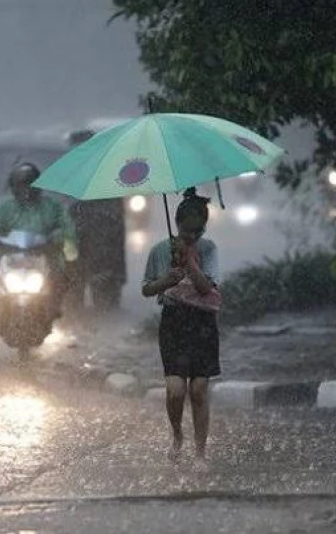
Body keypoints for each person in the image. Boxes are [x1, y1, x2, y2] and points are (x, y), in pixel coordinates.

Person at [142, 188, 221, 466]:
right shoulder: (160, 251)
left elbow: (205, 287)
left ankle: (200, 452)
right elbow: (148, 289)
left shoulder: (208, 249)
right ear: (177, 225)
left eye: (198, 232)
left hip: (202, 323)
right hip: (174, 323)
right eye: (188, 232)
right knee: (176, 390)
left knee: (199, 389)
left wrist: (189, 260)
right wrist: (167, 279)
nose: (192, 237)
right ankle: (177, 434)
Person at [0, 162, 76, 322]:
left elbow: (67, 227)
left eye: (30, 186)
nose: (26, 191)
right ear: (13, 188)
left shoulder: (52, 207)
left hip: (44, 252)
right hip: (7, 253)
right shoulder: (3, 207)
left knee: (62, 273)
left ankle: (54, 307)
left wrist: (59, 237)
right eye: (21, 186)